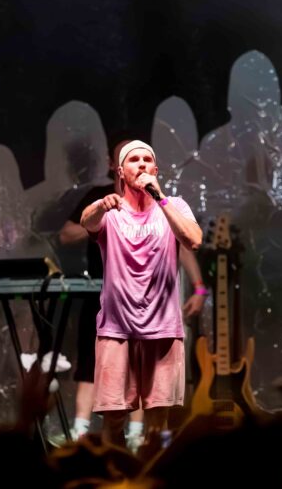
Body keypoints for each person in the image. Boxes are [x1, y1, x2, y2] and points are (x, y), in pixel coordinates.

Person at [60, 140, 207, 449]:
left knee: (158, 418)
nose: (141, 164)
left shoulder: (174, 206)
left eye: (147, 159)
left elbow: (193, 240)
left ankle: (151, 471)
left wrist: (161, 198)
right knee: (114, 417)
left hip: (163, 329)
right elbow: (86, 222)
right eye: (134, 159)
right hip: (117, 329)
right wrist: (100, 205)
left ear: (155, 169)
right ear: (120, 171)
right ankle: (114, 469)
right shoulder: (111, 211)